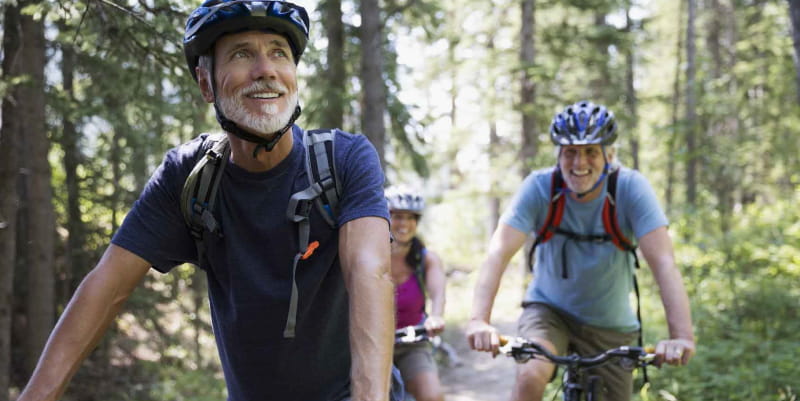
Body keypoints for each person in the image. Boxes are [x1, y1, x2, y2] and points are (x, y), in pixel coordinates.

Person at [18, 1, 396, 400]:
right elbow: (106, 287)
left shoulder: (344, 159)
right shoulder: (190, 178)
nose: (265, 69)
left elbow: (370, 273)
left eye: (278, 53)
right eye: (241, 53)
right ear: (205, 84)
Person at [466, 101, 695, 401]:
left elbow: (664, 263)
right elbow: (498, 252)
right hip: (549, 311)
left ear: (609, 155)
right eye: (570, 152)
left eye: (591, 152)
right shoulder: (539, 187)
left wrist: (681, 336)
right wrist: (478, 320)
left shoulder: (630, 189)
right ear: (559, 155)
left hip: (611, 323)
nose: (579, 162)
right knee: (532, 373)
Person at [387, 188, 446, 401]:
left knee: (432, 396)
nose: (404, 223)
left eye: (411, 218)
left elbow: (438, 293)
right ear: (387, 218)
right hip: (371, 344)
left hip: (411, 343)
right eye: (398, 216)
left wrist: (436, 316)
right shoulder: (372, 253)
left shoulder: (426, 259)